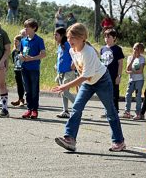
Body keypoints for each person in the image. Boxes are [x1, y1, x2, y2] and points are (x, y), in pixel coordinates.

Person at [52, 23, 125, 152]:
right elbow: (80, 71)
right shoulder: (71, 50)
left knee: (110, 111)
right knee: (76, 108)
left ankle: (119, 141)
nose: (69, 40)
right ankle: (70, 139)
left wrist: (65, 86)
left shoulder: (88, 51)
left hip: (102, 80)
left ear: (82, 38)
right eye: (68, 38)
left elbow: (85, 76)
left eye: (72, 38)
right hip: (88, 82)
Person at [20, 18, 46, 119]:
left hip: (34, 68)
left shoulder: (39, 40)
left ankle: (35, 110)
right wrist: (21, 56)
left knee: (34, 89)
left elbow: (43, 54)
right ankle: (29, 109)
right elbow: (21, 52)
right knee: (27, 90)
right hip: (24, 68)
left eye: (27, 27)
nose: (25, 29)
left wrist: (32, 58)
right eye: (25, 27)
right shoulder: (23, 40)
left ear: (34, 28)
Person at [100, 29, 124, 117]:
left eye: (109, 37)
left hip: (113, 75)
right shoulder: (102, 49)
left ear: (114, 38)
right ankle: (107, 111)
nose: (106, 39)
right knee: (104, 94)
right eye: (105, 37)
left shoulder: (117, 49)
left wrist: (119, 76)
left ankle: (115, 111)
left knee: (114, 94)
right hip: (104, 75)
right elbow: (101, 62)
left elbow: (120, 63)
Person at [54, 27, 76, 118]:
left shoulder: (67, 44)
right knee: (64, 92)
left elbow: (75, 53)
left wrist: (74, 63)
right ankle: (65, 111)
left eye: (56, 35)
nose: (55, 36)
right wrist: (56, 66)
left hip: (68, 72)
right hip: (61, 72)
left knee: (64, 91)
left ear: (62, 35)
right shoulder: (60, 45)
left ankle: (78, 105)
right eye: (54, 35)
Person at [123, 42, 145, 120]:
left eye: (137, 49)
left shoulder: (142, 58)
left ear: (140, 50)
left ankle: (138, 113)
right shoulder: (130, 57)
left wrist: (131, 71)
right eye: (134, 48)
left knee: (138, 96)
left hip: (139, 80)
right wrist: (133, 59)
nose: (135, 50)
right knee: (128, 95)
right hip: (131, 80)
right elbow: (127, 69)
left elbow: (141, 71)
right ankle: (127, 111)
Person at [10, 35, 25, 107]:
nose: (15, 42)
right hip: (16, 69)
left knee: (24, 85)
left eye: (16, 41)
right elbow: (13, 61)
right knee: (19, 85)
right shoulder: (14, 51)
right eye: (14, 41)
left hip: (23, 69)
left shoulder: (24, 50)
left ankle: (24, 100)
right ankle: (20, 99)